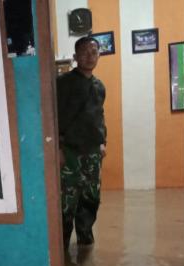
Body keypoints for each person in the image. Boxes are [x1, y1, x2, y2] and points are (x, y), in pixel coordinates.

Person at [57, 36, 107, 249]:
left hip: (93, 152)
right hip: (69, 151)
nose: (89, 56)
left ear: (98, 55)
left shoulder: (99, 86)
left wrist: (103, 142)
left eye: (93, 52)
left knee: (91, 196)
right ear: (76, 56)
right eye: (84, 52)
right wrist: (57, 149)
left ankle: (85, 238)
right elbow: (54, 118)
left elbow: (99, 116)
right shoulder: (62, 83)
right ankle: (62, 244)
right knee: (67, 199)